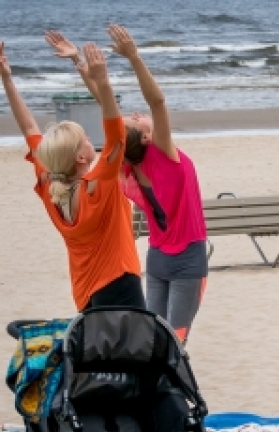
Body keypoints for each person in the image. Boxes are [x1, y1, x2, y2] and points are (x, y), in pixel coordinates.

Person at [56, 26, 209, 343]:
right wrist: (134, 57)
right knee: (172, 343)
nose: (137, 114)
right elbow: (157, 101)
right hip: (182, 261)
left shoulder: (125, 165)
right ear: (147, 137)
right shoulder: (163, 155)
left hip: (160, 259)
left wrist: (80, 64)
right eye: (135, 120)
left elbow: (106, 106)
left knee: (154, 339)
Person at [4, 37, 144, 312]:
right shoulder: (98, 183)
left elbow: (29, 128)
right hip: (121, 283)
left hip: (85, 294)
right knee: (134, 355)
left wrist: (6, 79)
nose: (91, 138)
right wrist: (102, 81)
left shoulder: (50, 184)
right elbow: (117, 134)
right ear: (80, 158)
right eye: (85, 139)